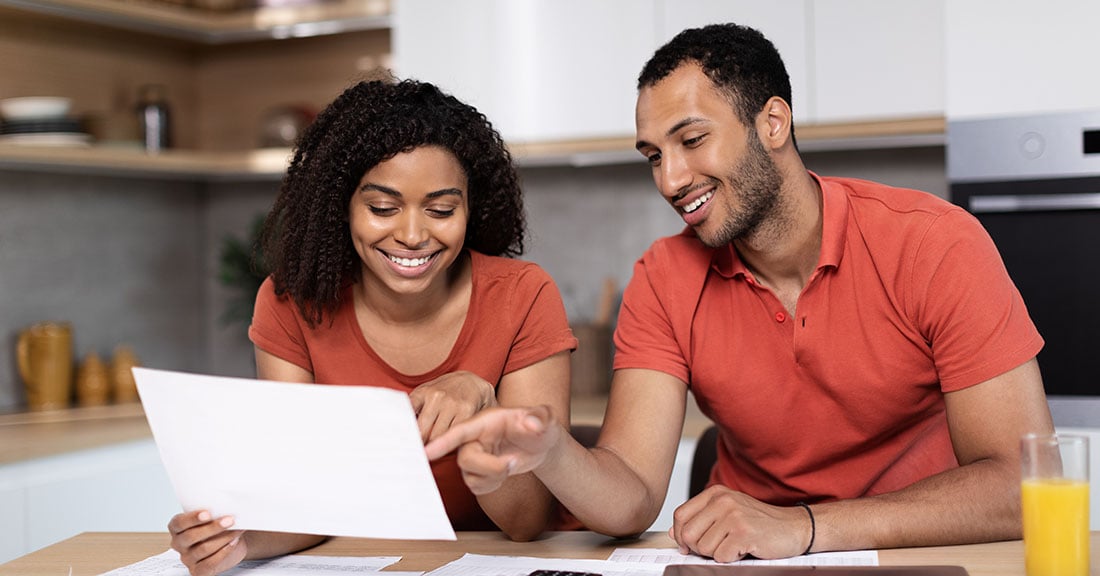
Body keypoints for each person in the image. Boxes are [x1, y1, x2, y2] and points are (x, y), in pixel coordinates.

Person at [426, 22, 1055, 562]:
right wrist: (551, 450)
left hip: (921, 556)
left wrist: (806, 527)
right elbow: (631, 496)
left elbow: (1020, 485)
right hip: (746, 562)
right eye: (653, 155)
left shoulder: (934, 244)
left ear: (773, 122)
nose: (670, 179)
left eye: (691, 140)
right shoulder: (664, 278)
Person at [167, 77, 577, 576]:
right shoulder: (290, 303)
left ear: (471, 207)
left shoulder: (523, 295)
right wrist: (239, 541)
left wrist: (483, 409)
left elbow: (527, 521)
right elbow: (309, 501)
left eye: (442, 210)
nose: (411, 235)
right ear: (342, 206)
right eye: (382, 208)